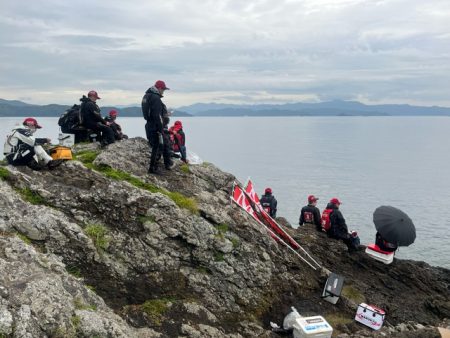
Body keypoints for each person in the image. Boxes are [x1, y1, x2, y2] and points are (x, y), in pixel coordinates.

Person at [141, 80, 174, 174]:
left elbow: (148, 113)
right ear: (159, 88)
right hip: (155, 126)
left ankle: (158, 166)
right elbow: (157, 116)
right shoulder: (155, 98)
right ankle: (153, 168)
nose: (163, 92)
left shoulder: (146, 96)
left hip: (149, 124)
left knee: (159, 145)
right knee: (158, 146)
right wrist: (160, 129)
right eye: (163, 89)